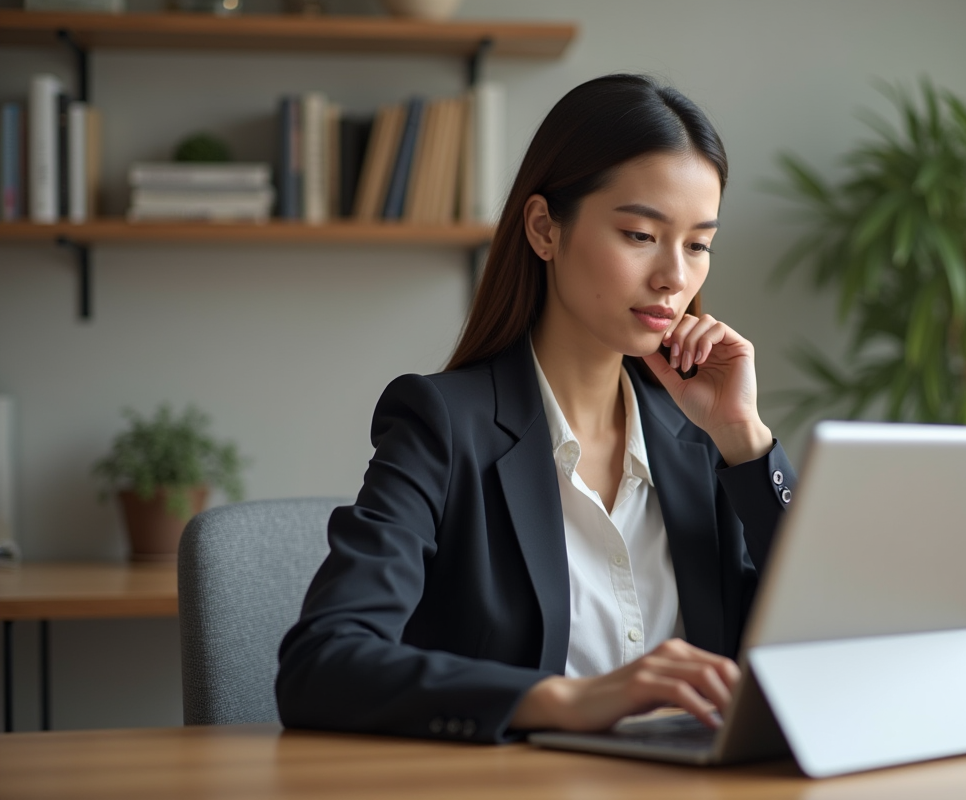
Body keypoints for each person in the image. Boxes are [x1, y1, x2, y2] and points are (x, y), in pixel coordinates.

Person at [276, 74, 797, 743]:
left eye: (698, 244)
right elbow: (322, 665)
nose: (675, 276)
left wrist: (745, 441)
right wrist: (567, 700)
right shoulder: (443, 425)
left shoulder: (704, 445)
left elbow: (819, 640)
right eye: (641, 234)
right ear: (546, 228)